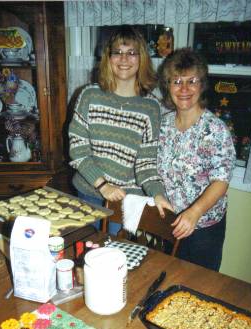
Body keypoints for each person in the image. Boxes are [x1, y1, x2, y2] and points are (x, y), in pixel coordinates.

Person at [68, 25, 173, 233]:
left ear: (142, 58)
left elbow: (146, 163)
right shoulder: (89, 96)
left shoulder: (151, 107)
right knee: (85, 250)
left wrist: (158, 194)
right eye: (118, 52)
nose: (124, 59)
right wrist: (103, 185)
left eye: (132, 53)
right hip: (89, 192)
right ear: (108, 58)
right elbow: (78, 149)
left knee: (110, 255)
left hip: (124, 200)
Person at [157, 48, 236, 271]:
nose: (184, 89)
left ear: (202, 85)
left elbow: (221, 181)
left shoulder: (215, 129)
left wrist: (194, 213)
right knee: (170, 277)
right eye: (177, 81)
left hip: (204, 228)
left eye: (192, 81)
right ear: (167, 86)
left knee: (200, 287)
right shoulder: (162, 125)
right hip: (171, 222)